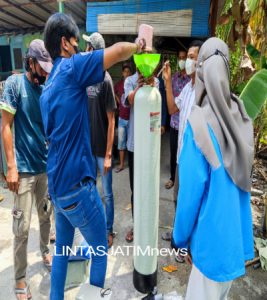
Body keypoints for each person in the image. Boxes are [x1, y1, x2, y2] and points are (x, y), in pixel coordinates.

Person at [40, 13, 146, 300]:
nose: (79, 47)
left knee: (62, 251)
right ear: (65, 43)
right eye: (76, 41)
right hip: (77, 187)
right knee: (100, 250)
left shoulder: (46, 88)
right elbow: (117, 52)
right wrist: (140, 45)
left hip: (57, 188)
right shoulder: (71, 69)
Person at [172, 37, 254, 300]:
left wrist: (179, 238)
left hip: (209, 248)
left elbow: (189, 194)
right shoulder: (241, 117)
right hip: (235, 245)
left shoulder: (199, 122)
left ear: (202, 73)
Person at [0, 39, 53, 300]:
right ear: (30, 62)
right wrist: (11, 166)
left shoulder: (44, 90)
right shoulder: (14, 85)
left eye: (47, 68)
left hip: (44, 168)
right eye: (41, 67)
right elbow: (6, 126)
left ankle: (45, 250)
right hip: (22, 171)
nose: (44, 73)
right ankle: (20, 278)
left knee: (46, 216)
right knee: (21, 229)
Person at [162, 41, 203, 252]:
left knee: (191, 204)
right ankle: (179, 236)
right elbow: (171, 108)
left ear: (202, 60)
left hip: (194, 162)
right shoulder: (188, 87)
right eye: (187, 56)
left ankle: (187, 245)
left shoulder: (205, 93)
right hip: (181, 157)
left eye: (193, 56)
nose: (188, 60)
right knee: (178, 199)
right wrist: (168, 83)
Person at [83, 32, 117, 248]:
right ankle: (96, 227)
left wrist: (108, 155)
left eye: (87, 47)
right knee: (91, 191)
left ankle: (108, 229)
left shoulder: (106, 80)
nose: (85, 51)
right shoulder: (85, 77)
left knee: (108, 193)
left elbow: (112, 121)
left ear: (93, 51)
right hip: (87, 148)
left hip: (101, 151)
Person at [123, 68, 159, 243]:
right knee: (135, 187)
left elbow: (156, 111)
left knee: (149, 186)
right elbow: (128, 101)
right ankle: (137, 225)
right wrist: (138, 89)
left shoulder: (156, 82)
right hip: (134, 144)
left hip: (150, 145)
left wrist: (151, 87)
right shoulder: (129, 81)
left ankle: (148, 226)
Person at [164, 50, 190, 190]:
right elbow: (169, 100)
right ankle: (173, 178)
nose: (181, 60)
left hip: (186, 125)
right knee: (173, 153)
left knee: (185, 154)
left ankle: (183, 181)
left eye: (184, 58)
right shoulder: (173, 78)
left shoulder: (192, 81)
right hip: (174, 123)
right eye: (179, 58)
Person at [114, 64, 132, 173]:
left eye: (129, 71)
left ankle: (131, 163)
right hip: (121, 118)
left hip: (131, 118)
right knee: (121, 143)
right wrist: (117, 99)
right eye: (125, 71)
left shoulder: (132, 84)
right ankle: (121, 164)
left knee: (131, 143)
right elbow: (113, 91)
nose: (127, 73)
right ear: (122, 73)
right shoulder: (119, 84)